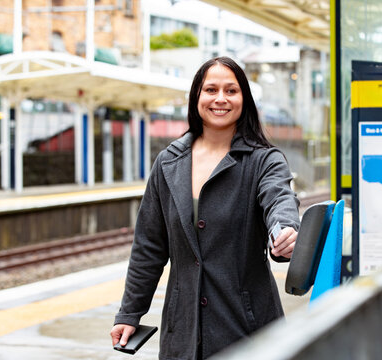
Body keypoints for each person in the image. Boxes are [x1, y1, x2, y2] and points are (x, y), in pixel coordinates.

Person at [110, 56, 300, 359]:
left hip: (248, 330)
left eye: (231, 90)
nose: (220, 99)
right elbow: (148, 247)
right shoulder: (168, 163)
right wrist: (129, 313)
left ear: (244, 99)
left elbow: (279, 199)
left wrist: (285, 231)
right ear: (196, 97)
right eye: (210, 90)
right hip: (182, 333)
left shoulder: (264, 161)